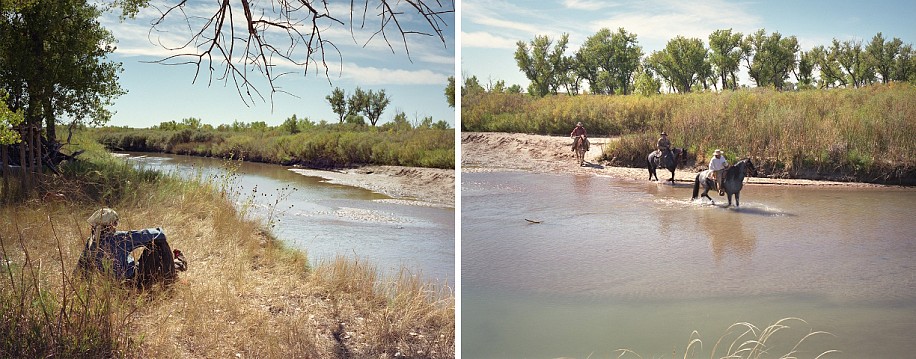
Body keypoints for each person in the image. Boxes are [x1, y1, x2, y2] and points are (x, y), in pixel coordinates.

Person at [77, 208, 186, 288]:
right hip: (135, 282)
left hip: (115, 287)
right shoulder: (119, 238)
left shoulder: (90, 243)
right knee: (157, 244)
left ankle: (175, 267)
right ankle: (172, 277)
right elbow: (159, 234)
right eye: (116, 223)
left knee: (152, 266)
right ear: (111, 224)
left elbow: (80, 269)